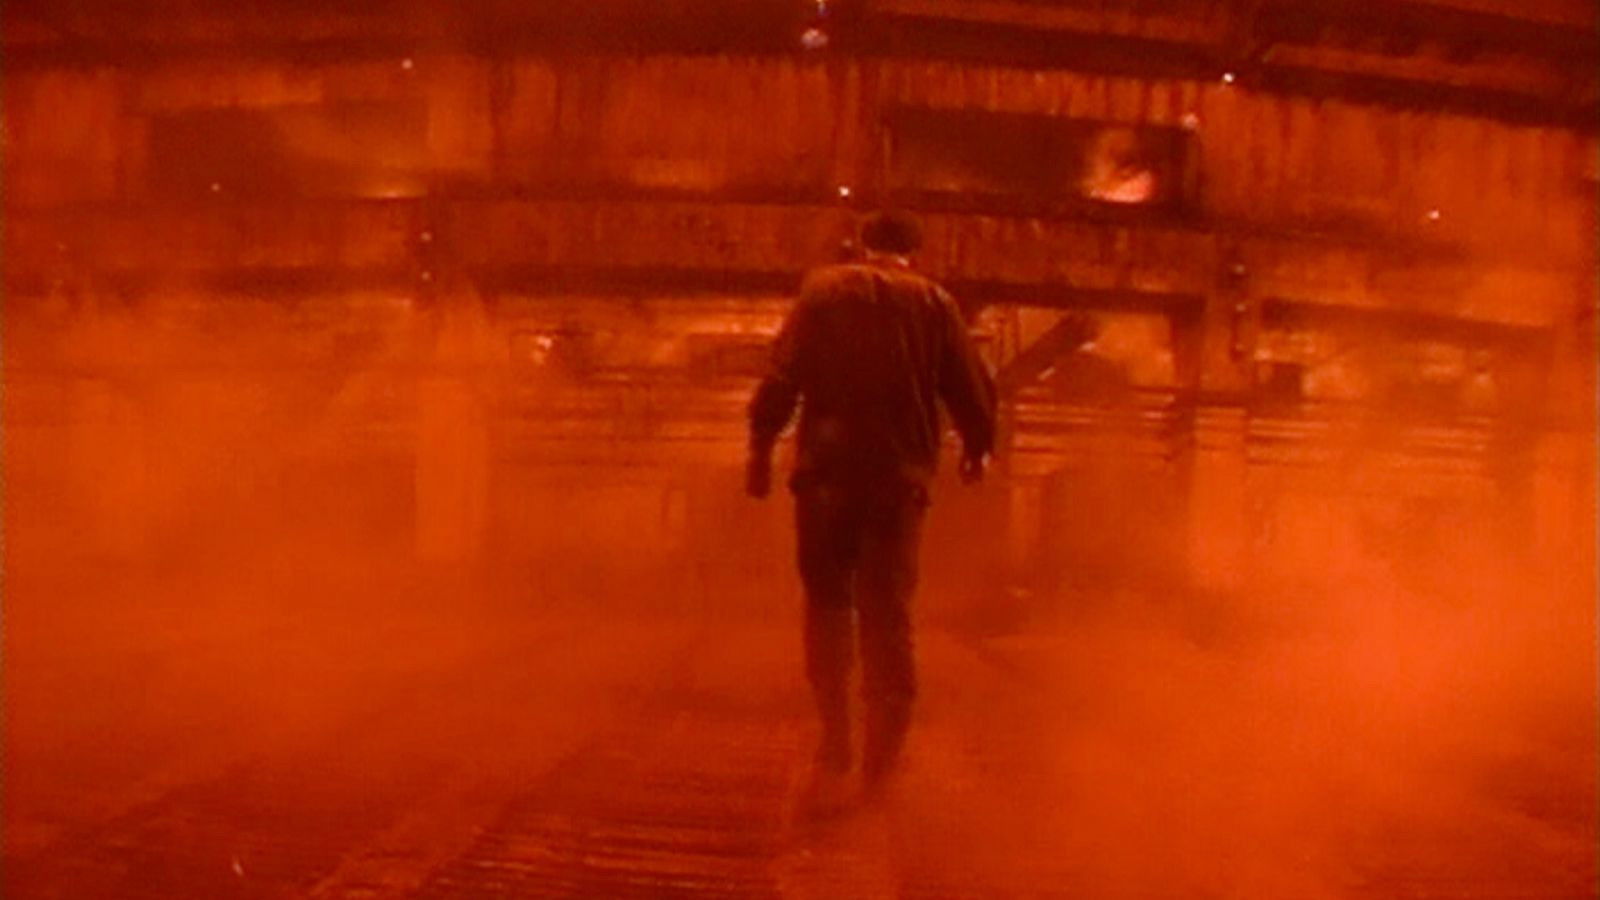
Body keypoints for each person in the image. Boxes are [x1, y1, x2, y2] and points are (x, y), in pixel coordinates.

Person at [746, 211, 997, 805]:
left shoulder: (822, 294)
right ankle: (882, 758)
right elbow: (970, 386)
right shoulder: (934, 304)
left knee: (829, 605)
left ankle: (836, 735)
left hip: (825, 478)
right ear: (914, 252)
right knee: (888, 612)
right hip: (896, 482)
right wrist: (978, 447)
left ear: (862, 246)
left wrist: (761, 448)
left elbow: (783, 375)